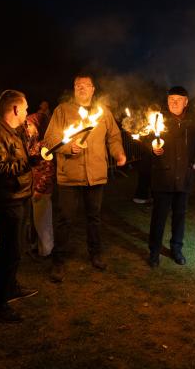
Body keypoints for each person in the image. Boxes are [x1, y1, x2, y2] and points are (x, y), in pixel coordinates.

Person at [44, 73, 126, 282]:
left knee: (94, 218)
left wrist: (118, 153)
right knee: (65, 219)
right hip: (69, 175)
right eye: (77, 85)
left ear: (93, 89)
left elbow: (114, 137)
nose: (82, 88)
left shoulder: (103, 113)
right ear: (74, 89)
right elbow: (50, 139)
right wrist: (67, 147)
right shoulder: (62, 111)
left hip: (95, 175)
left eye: (86, 85)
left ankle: (95, 254)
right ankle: (58, 261)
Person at [0, 90, 37, 323]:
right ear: (14, 109)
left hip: (18, 195)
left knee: (15, 249)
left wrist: (30, 155)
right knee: (8, 252)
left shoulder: (10, 130)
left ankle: (10, 288)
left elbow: (15, 158)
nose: (26, 112)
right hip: (7, 200)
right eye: (24, 108)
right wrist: (27, 162)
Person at [147, 86, 195, 267]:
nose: (174, 102)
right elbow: (145, 140)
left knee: (179, 215)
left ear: (186, 102)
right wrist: (152, 148)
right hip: (163, 177)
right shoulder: (158, 120)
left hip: (184, 177)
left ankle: (176, 248)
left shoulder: (193, 123)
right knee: (159, 216)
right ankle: (154, 252)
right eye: (171, 99)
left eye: (178, 99)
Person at [26, 112, 55, 257]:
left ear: (38, 126)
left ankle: (46, 250)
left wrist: (40, 189)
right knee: (35, 220)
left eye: (30, 125)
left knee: (43, 221)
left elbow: (48, 170)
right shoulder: (31, 141)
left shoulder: (44, 145)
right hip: (32, 186)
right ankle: (37, 246)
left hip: (41, 189)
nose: (27, 128)